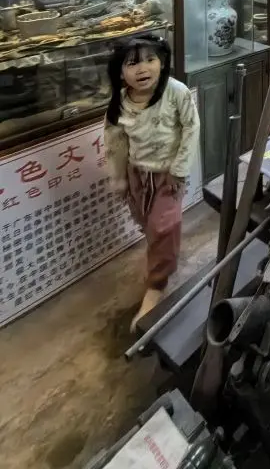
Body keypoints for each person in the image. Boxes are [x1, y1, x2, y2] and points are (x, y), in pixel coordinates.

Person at [103, 35, 200, 330]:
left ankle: (156, 284)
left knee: (163, 226)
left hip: (169, 176)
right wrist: (119, 177)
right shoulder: (120, 102)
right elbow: (115, 142)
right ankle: (162, 256)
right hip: (137, 176)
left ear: (162, 62)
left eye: (150, 59)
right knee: (148, 223)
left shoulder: (176, 92)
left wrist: (180, 169)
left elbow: (191, 127)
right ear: (121, 72)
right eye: (132, 63)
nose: (142, 68)